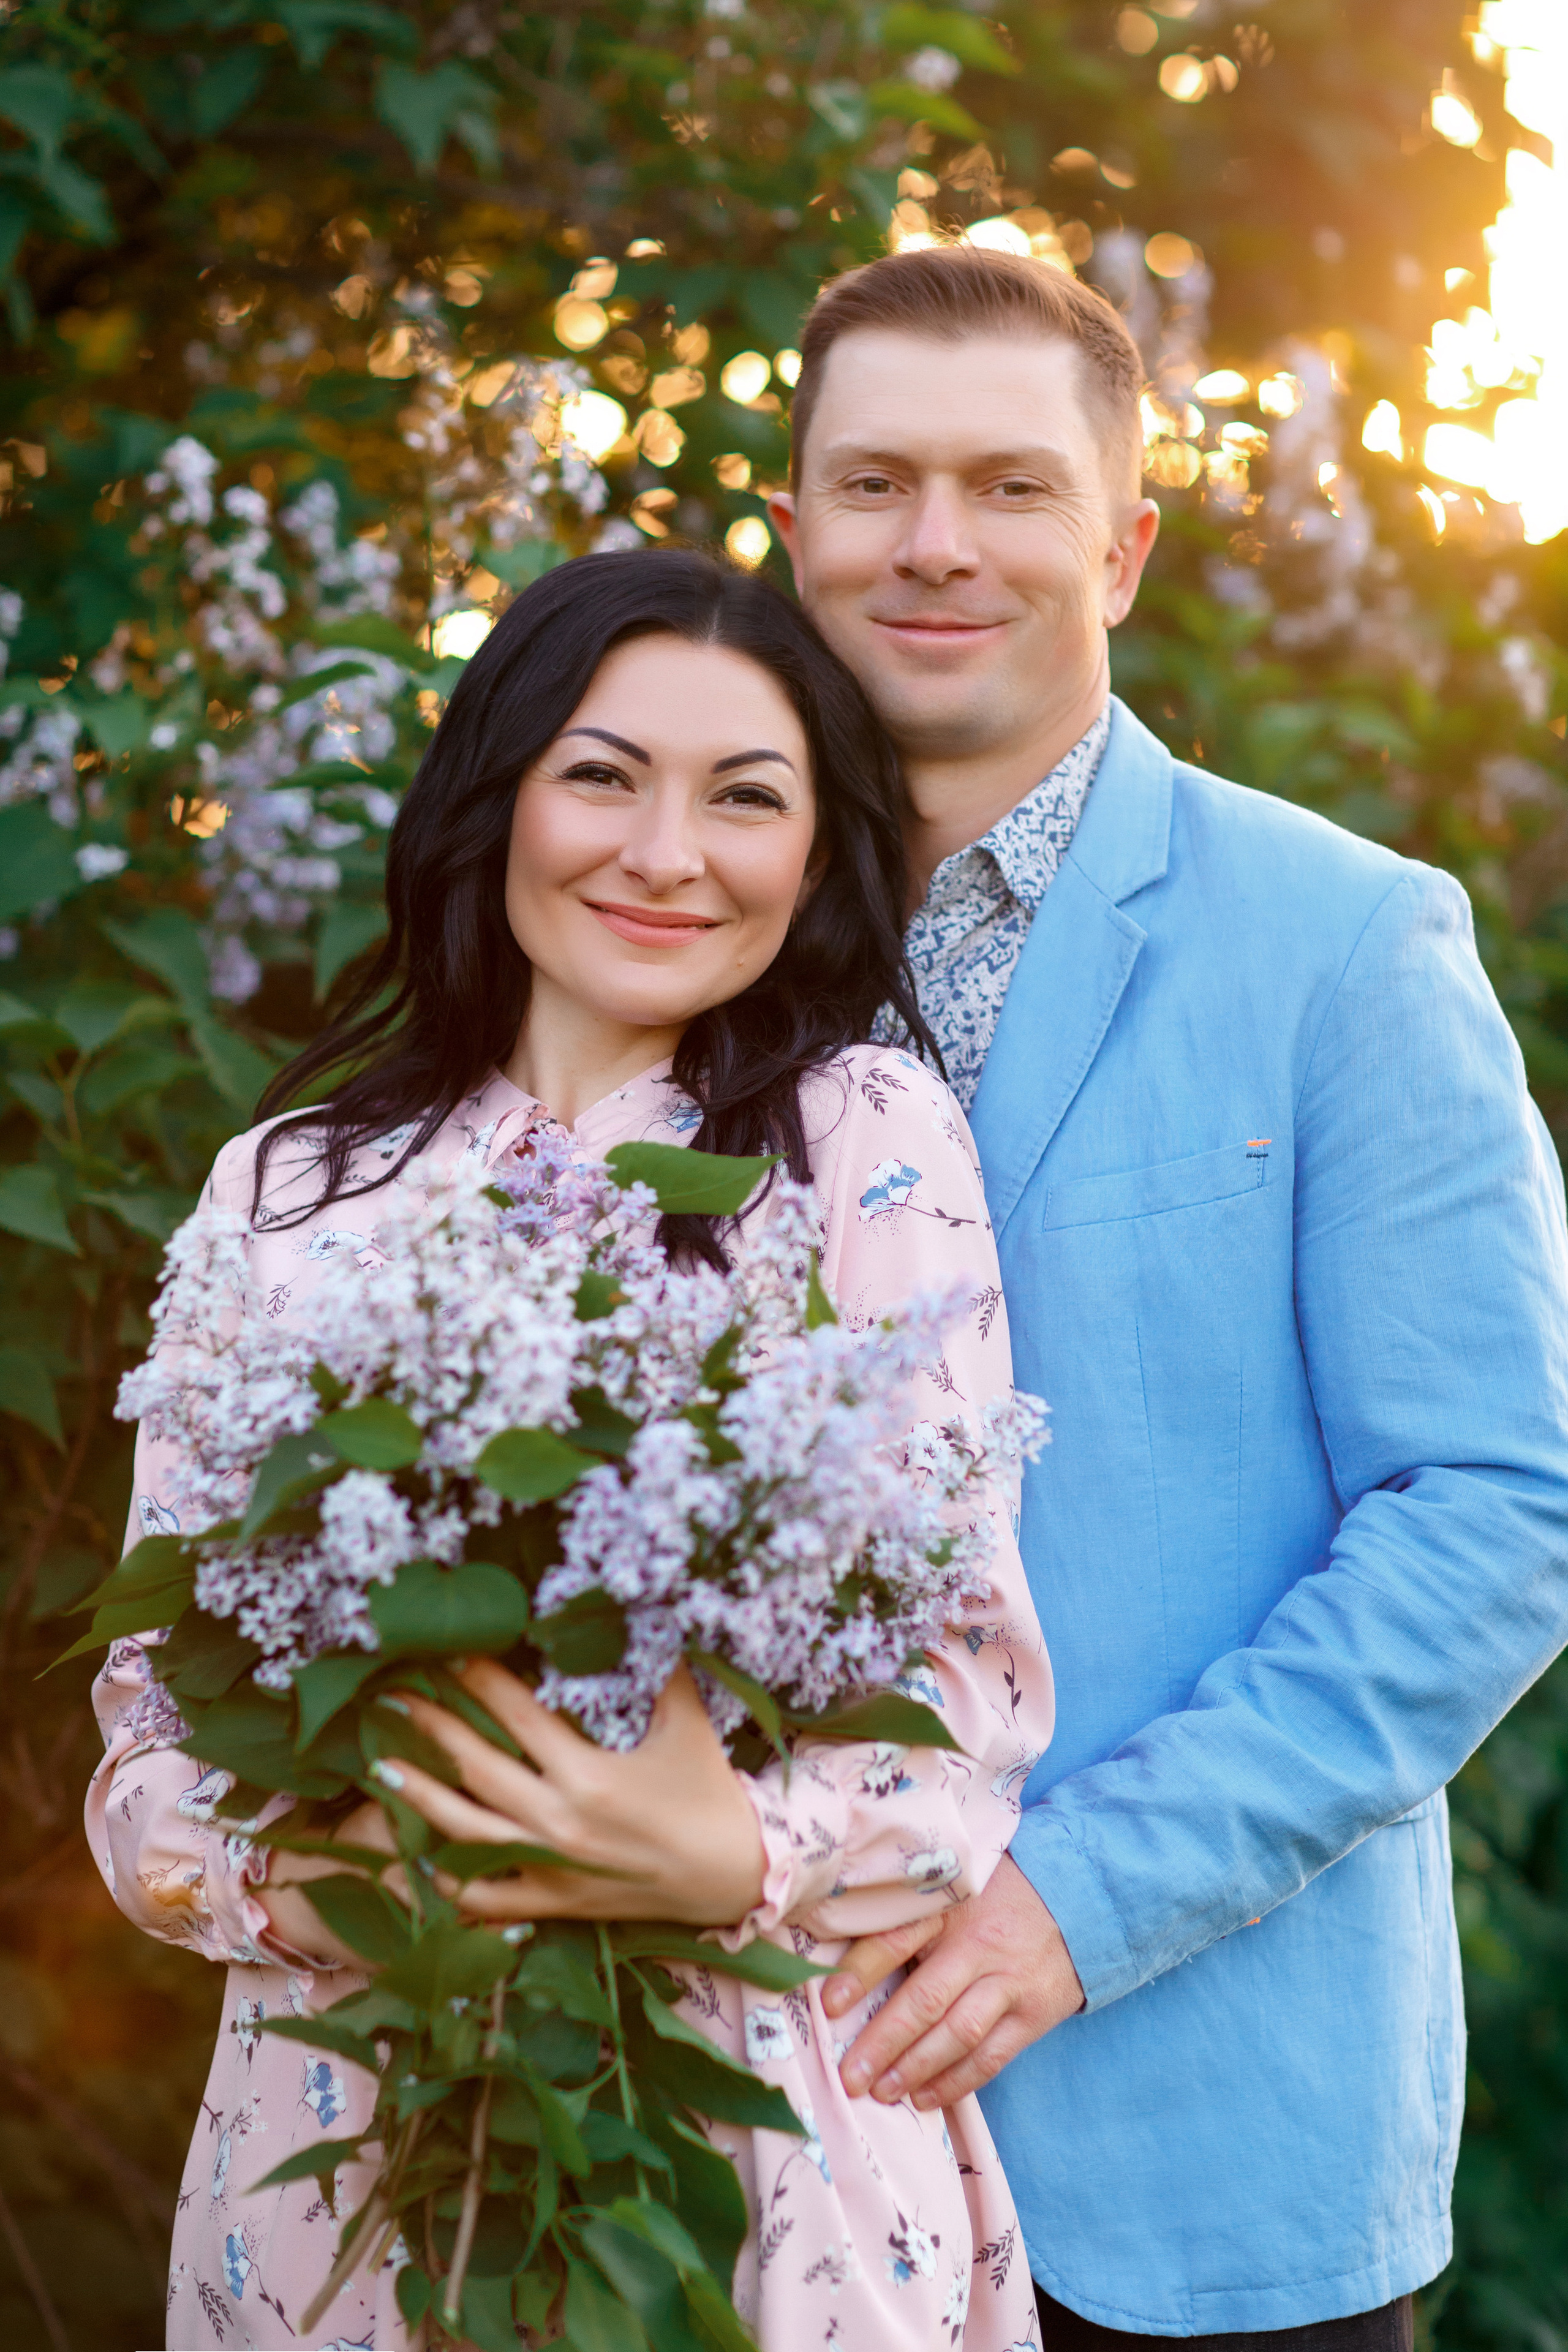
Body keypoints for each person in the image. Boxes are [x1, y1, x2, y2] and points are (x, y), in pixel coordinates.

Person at [86, 548, 1054, 2351]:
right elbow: (151, 1733)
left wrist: (731, 1856)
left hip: (752, 2133)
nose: (666, 852)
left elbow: (966, 1707)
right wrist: (320, 1889)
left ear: (815, 848)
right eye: (602, 774)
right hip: (345, 2127)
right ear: (498, 790)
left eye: (744, 798)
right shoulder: (289, 1193)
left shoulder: (857, 1140)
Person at [763, 239, 1568, 2348]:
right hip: (759, 2136)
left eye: (1013, 488)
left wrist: (1074, 1908)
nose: (938, 544)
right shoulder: (687, 953)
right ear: (791, 535)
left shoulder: (1348, 942)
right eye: (876, 485)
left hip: (1202, 2153)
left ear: (1122, 546)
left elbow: (1498, 1517)